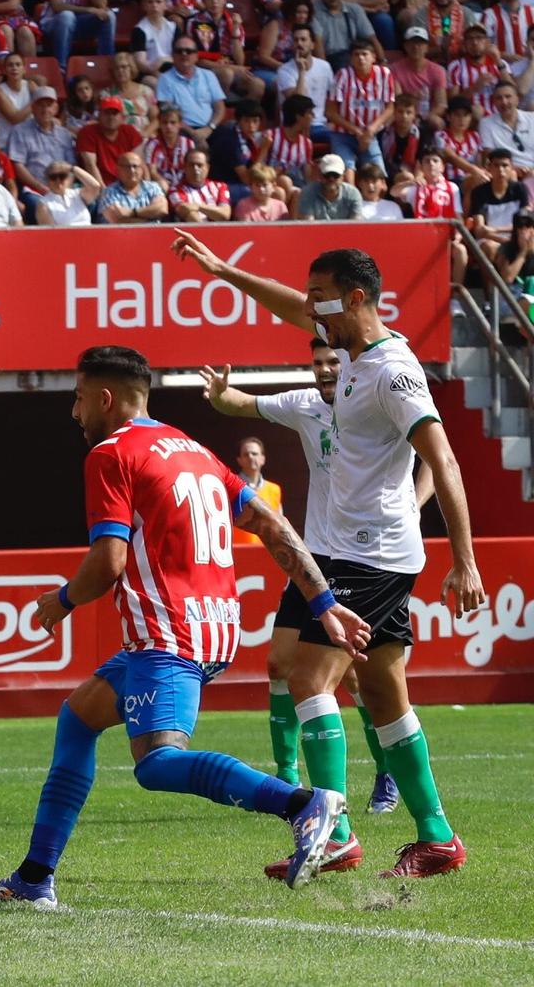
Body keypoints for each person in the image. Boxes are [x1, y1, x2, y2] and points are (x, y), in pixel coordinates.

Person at [0, 345, 366, 910]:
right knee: (78, 717)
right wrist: (322, 602)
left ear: (105, 398)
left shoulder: (111, 453)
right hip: (211, 626)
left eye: (79, 399)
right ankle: (34, 878)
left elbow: (108, 562)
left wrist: (60, 601)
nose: (75, 413)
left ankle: (301, 804)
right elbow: (273, 525)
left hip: (169, 633)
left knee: (157, 764)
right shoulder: (193, 450)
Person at [172, 236, 484, 879]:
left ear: (358, 296)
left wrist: (467, 560)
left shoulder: (393, 373)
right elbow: (290, 307)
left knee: (310, 680)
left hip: (367, 555)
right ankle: (437, 837)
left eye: (321, 297)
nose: (311, 311)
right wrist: (226, 271)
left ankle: (336, 831)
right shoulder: (355, 356)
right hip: (349, 551)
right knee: (381, 689)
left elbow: (444, 459)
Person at [199, 342, 405, 816]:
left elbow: (432, 454)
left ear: (351, 366)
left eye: (334, 362)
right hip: (314, 561)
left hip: (359, 560)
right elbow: (242, 404)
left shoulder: (379, 403)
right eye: (318, 364)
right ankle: (289, 777)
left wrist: (411, 505)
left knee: (355, 678)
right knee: (278, 665)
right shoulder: (304, 405)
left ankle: (382, 775)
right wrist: (219, 396)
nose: (325, 371)